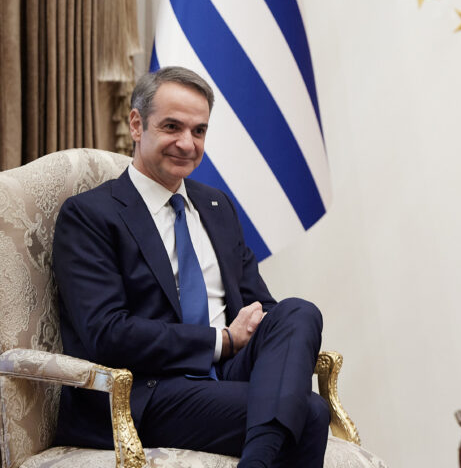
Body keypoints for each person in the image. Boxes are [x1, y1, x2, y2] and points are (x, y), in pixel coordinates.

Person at [53, 66, 329, 468]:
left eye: (199, 131)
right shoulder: (90, 215)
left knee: (299, 312)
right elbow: (107, 334)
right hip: (145, 389)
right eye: (172, 127)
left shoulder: (216, 206)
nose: (187, 143)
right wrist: (222, 340)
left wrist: (254, 336)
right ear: (136, 124)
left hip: (227, 375)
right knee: (311, 412)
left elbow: (260, 307)